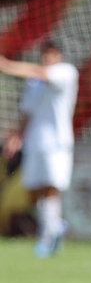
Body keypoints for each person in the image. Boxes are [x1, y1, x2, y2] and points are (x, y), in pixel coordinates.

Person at [0, 41, 79, 257]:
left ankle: (47, 236)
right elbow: (29, 113)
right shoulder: (34, 83)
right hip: (35, 141)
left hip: (57, 142)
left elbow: (40, 72)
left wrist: (7, 66)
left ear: (59, 55)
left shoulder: (66, 72)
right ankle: (56, 226)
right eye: (45, 54)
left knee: (51, 186)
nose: (48, 58)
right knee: (33, 191)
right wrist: (16, 136)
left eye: (52, 54)